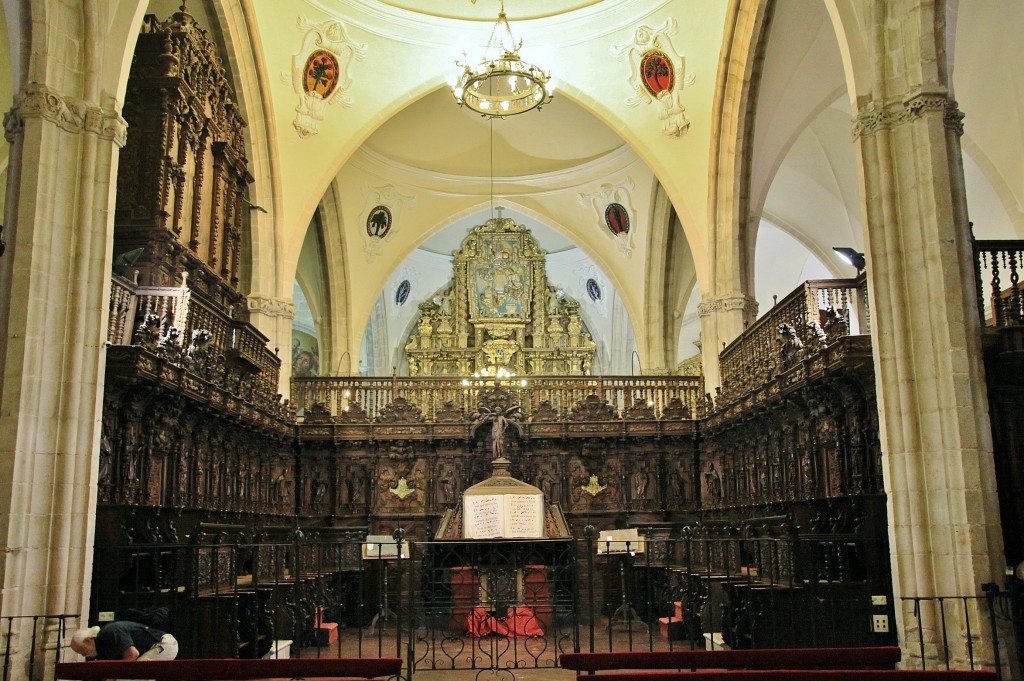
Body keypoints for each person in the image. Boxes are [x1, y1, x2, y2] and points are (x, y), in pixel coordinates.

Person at [70, 621, 178, 661]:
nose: (84, 655)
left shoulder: (110, 632)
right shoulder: (101, 646)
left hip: (164, 645)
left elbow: (132, 654)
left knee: (136, 673)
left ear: (88, 640)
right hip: (155, 647)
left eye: (81, 651)